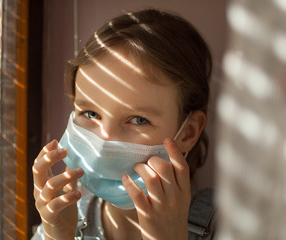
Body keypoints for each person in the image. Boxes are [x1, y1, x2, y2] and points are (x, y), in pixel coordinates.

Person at [32, 9, 215, 240]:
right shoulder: (62, 220)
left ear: (188, 133)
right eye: (90, 113)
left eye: (139, 120)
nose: (104, 140)